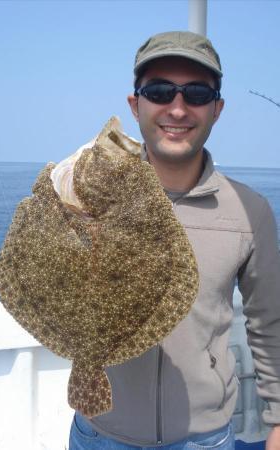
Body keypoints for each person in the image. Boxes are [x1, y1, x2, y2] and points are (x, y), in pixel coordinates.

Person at [69, 31, 280, 450]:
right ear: (136, 104)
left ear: (217, 110)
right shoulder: (86, 197)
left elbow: (269, 324)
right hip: (99, 431)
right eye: (160, 91)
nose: (178, 108)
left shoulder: (249, 210)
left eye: (197, 93)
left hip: (204, 438)